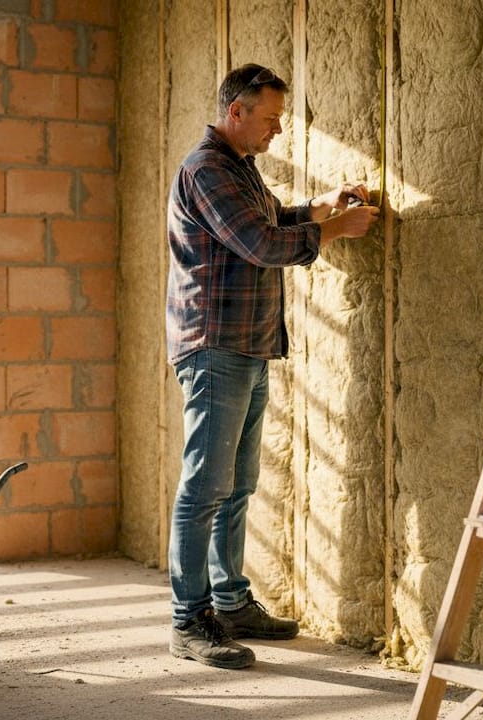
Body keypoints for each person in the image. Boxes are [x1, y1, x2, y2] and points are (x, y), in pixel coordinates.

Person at [165, 63, 380, 669]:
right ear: (235, 111)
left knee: (236, 485)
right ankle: (188, 620)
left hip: (247, 345)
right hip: (215, 346)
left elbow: (269, 221)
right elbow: (259, 245)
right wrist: (334, 229)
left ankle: (230, 602)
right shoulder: (206, 169)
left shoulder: (239, 168)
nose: (278, 130)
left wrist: (316, 208)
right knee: (205, 486)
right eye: (271, 118)